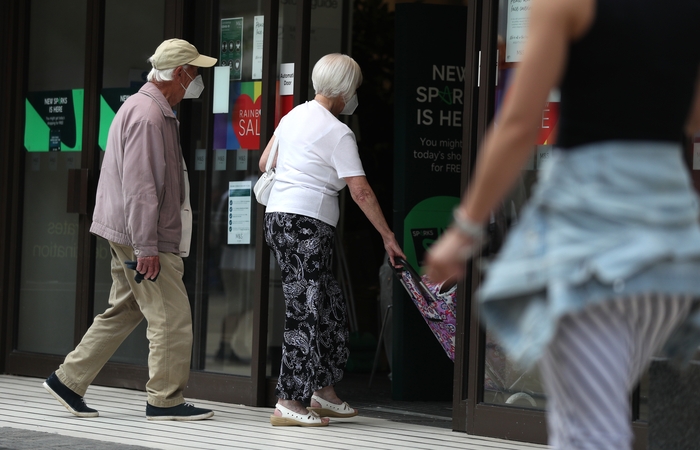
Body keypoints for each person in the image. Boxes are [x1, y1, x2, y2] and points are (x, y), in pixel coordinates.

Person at [425, 0, 700, 448]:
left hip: (589, 241)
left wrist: (465, 230)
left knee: (589, 430)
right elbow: (692, 115)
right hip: (668, 244)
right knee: (586, 416)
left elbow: (518, 124)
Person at [43, 38, 217, 421]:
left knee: (124, 310)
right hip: (143, 237)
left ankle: (68, 380)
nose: (199, 79)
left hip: (130, 233)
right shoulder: (148, 115)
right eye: (195, 72)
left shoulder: (147, 109)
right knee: (171, 317)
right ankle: (165, 400)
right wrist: (147, 248)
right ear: (179, 74)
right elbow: (140, 188)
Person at [260, 53, 406, 427]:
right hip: (306, 222)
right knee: (305, 309)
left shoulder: (293, 115)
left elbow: (265, 163)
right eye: (354, 88)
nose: (355, 95)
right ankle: (289, 400)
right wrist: (388, 236)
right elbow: (360, 191)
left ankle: (322, 391)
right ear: (344, 90)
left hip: (280, 217)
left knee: (327, 304)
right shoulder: (338, 131)